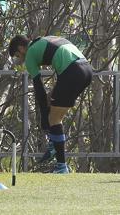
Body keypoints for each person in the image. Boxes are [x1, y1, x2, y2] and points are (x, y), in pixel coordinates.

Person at [8, 35, 92, 173]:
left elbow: (39, 90)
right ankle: (54, 144)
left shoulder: (29, 54)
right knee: (56, 114)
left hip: (72, 71)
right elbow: (65, 66)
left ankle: (61, 166)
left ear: (21, 48)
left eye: (18, 55)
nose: (21, 60)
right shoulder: (45, 40)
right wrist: (52, 94)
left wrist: (44, 122)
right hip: (86, 70)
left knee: (53, 119)